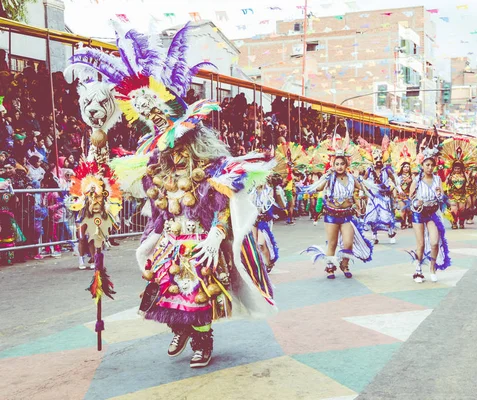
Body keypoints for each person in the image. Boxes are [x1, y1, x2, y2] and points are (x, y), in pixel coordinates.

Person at [71, 22, 277, 368]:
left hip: (199, 241)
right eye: (169, 146)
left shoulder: (210, 169)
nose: (174, 152)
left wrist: (215, 236)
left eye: (179, 144)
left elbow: (223, 203)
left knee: (196, 293)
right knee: (166, 290)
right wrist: (98, 169)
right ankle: (181, 329)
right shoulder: (155, 169)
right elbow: (130, 185)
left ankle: (202, 339)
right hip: (170, 240)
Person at [305, 134, 373, 279]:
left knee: (348, 244)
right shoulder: (330, 178)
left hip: (347, 215)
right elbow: (318, 189)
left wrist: (362, 199)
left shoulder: (352, 178)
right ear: (333, 165)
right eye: (337, 164)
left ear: (346, 165)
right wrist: (325, 176)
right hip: (331, 215)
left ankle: (344, 264)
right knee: (333, 243)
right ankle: (330, 266)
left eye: (342, 164)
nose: (339, 166)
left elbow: (364, 191)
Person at [407, 145, 451, 283]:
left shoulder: (438, 179)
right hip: (419, 214)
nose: (430, 168)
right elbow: (410, 197)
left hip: (432, 213)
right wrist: (416, 202)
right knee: (420, 244)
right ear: (422, 165)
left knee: (434, 242)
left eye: (432, 165)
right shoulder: (417, 180)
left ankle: (432, 268)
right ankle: (418, 270)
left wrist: (439, 195)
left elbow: (442, 198)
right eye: (427, 165)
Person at [359, 136, 398, 244]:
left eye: (380, 158)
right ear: (372, 160)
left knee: (386, 216)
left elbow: (394, 180)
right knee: (373, 217)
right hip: (373, 197)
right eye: (376, 158)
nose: (378, 160)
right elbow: (363, 181)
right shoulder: (368, 171)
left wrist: (396, 189)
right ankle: (374, 236)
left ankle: (391, 233)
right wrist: (362, 192)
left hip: (384, 196)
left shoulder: (387, 171)